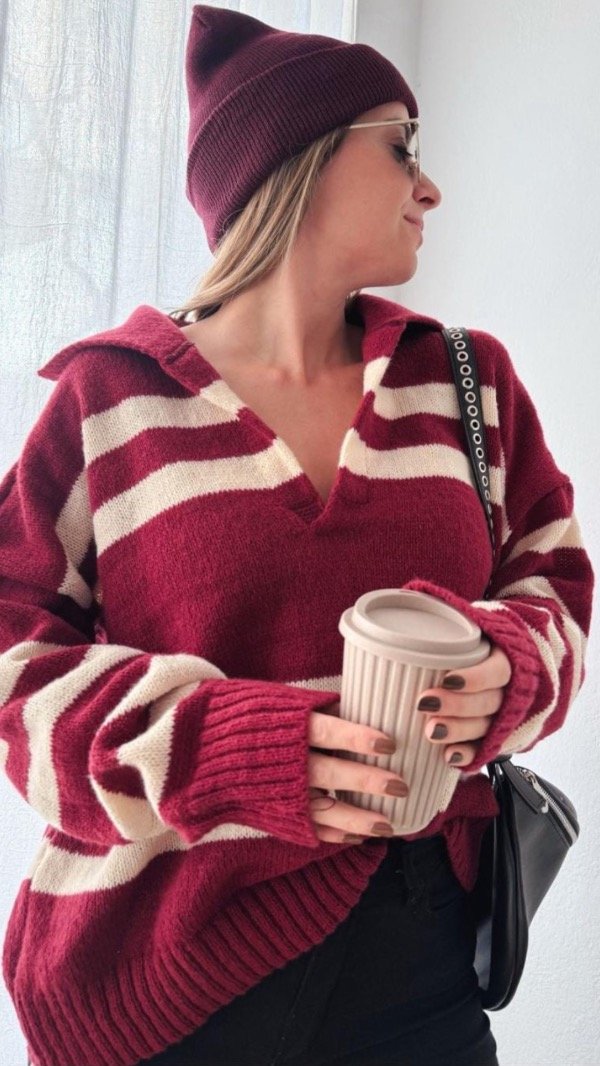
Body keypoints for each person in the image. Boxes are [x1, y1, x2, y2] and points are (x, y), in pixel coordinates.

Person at [0, 5, 594, 1066]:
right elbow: (12, 659)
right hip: (167, 968)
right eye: (400, 148)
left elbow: (555, 583)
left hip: (422, 951)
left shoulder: (466, 381)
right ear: (298, 160)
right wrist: (221, 749)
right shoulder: (108, 399)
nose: (430, 188)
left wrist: (507, 670)